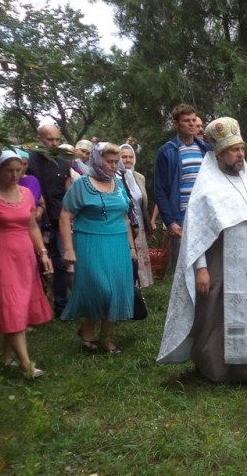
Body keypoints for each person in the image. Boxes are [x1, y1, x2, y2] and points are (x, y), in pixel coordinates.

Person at [158, 117, 247, 383]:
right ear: (220, 153)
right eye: (235, 150)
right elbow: (196, 233)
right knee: (217, 316)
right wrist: (200, 268)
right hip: (221, 263)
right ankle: (218, 368)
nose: (240, 154)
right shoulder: (207, 187)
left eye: (242, 149)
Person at [0, 150, 53, 378]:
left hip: (24, 258)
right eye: (9, 170)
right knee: (13, 307)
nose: (15, 174)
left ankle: (6, 359)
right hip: (0, 258)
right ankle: (27, 367)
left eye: (19, 170)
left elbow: (32, 227)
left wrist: (43, 253)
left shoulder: (27, 193)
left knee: (18, 308)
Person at [59, 143, 136, 353]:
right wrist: (68, 249)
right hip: (90, 240)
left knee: (118, 288)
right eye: (109, 162)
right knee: (99, 288)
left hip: (118, 241)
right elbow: (65, 216)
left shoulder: (118, 184)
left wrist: (131, 247)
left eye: (115, 162)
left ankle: (106, 337)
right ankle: (86, 328)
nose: (113, 166)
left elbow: (125, 217)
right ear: (96, 160)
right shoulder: (82, 184)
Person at [154, 104, 212, 274]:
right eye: (187, 121)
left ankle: (205, 302)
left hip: (204, 215)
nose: (192, 124)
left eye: (194, 120)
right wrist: (170, 221)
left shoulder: (206, 150)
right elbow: (160, 189)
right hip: (181, 218)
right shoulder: (167, 151)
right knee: (183, 268)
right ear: (176, 124)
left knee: (207, 267)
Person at [27, 124, 72, 317]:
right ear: (39, 138)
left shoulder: (63, 162)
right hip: (34, 220)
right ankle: (36, 307)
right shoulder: (29, 161)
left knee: (61, 262)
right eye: (49, 139)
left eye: (57, 140)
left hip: (58, 218)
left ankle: (61, 305)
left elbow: (67, 190)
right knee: (35, 262)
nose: (54, 143)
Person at [117, 143, 154, 287]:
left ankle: (139, 291)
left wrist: (148, 222)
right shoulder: (115, 178)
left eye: (130, 157)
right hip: (124, 225)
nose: (127, 160)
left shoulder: (138, 177)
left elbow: (142, 203)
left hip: (140, 224)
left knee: (140, 257)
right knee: (129, 256)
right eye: (124, 157)